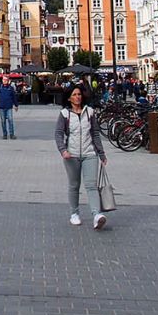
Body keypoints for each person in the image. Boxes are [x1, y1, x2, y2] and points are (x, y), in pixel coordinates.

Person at [55, 84, 108, 230]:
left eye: (79, 94)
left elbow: (95, 133)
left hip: (89, 153)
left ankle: (97, 215)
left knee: (91, 185)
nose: (77, 97)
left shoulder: (89, 112)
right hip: (71, 155)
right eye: (74, 95)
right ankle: (74, 213)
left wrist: (101, 153)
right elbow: (59, 133)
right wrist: (63, 150)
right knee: (74, 185)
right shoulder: (65, 114)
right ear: (69, 98)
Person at [0, 75, 18, 140]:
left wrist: (16, 105)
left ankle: (12, 134)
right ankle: (5, 134)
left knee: (10, 120)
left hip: (9, 106)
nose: (5, 81)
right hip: (1, 106)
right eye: (4, 80)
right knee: (3, 121)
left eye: (6, 80)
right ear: (2, 80)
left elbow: (14, 97)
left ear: (8, 81)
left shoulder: (11, 88)